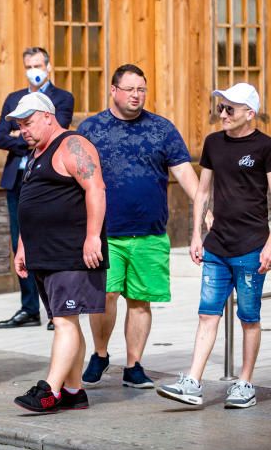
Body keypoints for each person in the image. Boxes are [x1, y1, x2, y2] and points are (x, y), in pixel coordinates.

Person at [78, 64, 198, 390]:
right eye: (130, 89)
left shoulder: (162, 129)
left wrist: (206, 210)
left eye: (141, 89)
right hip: (106, 233)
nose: (136, 95)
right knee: (105, 295)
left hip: (150, 232)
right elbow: (75, 176)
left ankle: (134, 365)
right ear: (113, 91)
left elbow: (185, 173)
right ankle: (100, 354)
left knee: (141, 301)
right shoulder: (91, 128)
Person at [157, 83, 271, 410]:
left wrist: (270, 245)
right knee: (207, 313)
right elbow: (203, 192)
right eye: (220, 107)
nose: (222, 114)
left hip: (252, 246)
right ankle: (193, 381)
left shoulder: (265, 147)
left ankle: (245, 382)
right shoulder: (212, 143)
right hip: (217, 245)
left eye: (230, 109)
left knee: (249, 317)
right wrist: (196, 235)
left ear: (249, 113)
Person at [10, 92, 107, 413]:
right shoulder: (37, 153)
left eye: (28, 122)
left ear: (49, 117)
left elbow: (96, 188)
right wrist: (23, 246)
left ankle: (49, 390)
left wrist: (93, 236)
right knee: (67, 320)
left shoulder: (72, 145)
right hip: (44, 254)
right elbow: (31, 205)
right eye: (19, 125)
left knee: (64, 321)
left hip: (70, 253)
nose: (23, 129)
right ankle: (75, 391)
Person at [0, 47, 74, 331]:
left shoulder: (62, 98)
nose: (34, 70)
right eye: (29, 65)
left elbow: (55, 133)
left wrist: (23, 135)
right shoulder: (13, 99)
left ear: (49, 66)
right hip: (17, 181)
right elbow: (1, 137)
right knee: (19, 242)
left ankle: (56, 309)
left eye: (38, 64)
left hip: (51, 182)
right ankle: (29, 308)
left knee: (49, 241)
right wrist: (26, 137)